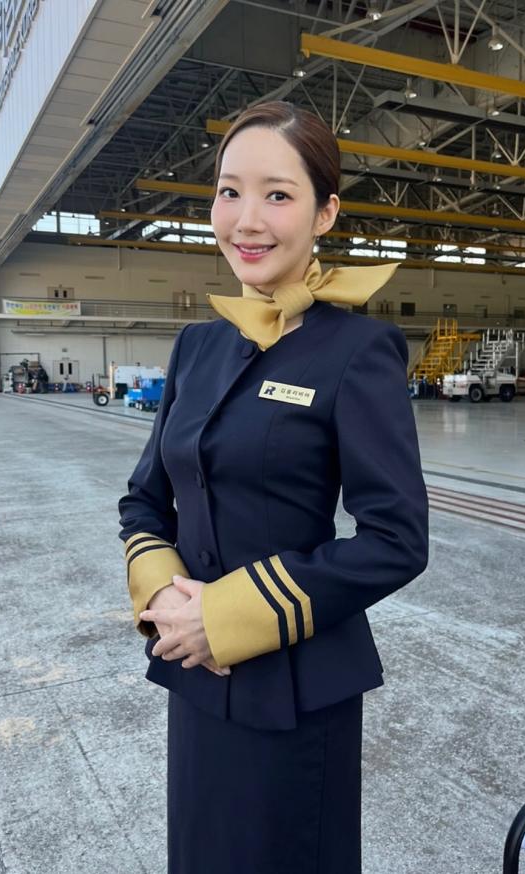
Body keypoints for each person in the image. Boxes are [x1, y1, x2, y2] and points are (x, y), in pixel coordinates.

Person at [119, 101, 429, 874]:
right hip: (194, 674)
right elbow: (145, 500)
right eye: (229, 192)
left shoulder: (358, 350)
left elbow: (396, 541)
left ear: (325, 213)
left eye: (278, 195)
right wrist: (168, 604)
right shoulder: (197, 346)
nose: (247, 219)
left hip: (293, 690)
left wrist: (225, 616)